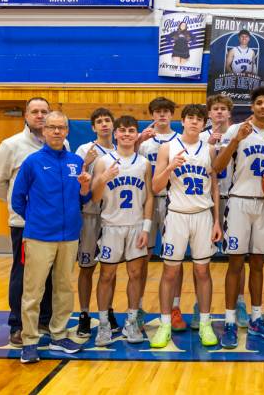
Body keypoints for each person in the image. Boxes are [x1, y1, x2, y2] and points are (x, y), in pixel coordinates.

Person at [11, 111, 91, 364]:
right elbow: (17, 200)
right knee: (33, 291)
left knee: (64, 288)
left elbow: (82, 199)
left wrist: (86, 188)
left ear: (67, 131)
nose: (57, 132)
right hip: (39, 237)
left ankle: (58, 335)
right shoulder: (32, 162)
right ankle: (30, 340)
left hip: (69, 237)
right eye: (52, 127)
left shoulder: (75, 162)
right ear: (43, 131)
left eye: (62, 128)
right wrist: (37, 220)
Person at [213, 86, 264, 348]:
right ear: (252, 106)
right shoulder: (237, 130)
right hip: (240, 202)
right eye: (259, 103)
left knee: (259, 264)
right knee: (235, 264)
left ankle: (256, 318)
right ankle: (231, 321)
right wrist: (235, 140)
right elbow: (217, 167)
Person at [150, 104, 222, 348]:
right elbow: (155, 187)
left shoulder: (210, 150)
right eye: (190, 117)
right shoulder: (167, 148)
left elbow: (214, 187)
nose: (194, 122)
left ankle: (205, 323)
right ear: (182, 121)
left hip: (203, 215)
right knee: (170, 272)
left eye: (199, 119)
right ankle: (164, 324)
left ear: (204, 124)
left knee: (203, 272)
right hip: (177, 215)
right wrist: (170, 167)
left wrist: (217, 220)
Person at [0, 96, 53, 347]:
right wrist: (20, 207)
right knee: (23, 273)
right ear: (26, 116)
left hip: (51, 223)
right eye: (35, 111)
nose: (40, 116)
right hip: (24, 224)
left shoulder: (60, 142)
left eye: (44, 112)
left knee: (48, 275)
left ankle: (43, 321)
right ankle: (17, 324)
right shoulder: (11, 145)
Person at [91, 115, 154, 346]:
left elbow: (149, 197)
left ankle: (131, 322)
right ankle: (104, 325)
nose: (127, 134)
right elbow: (95, 198)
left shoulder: (144, 163)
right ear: (116, 134)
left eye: (131, 130)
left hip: (136, 226)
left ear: (136, 134)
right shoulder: (103, 161)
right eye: (123, 130)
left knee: (136, 275)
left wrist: (146, 228)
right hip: (110, 226)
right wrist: (102, 180)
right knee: (107, 275)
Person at [194, 94, 249, 329]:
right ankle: (199, 305)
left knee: (238, 256)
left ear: (229, 113)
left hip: (235, 197)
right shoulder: (200, 137)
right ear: (208, 114)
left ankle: (240, 302)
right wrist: (209, 146)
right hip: (207, 200)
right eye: (214, 109)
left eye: (222, 109)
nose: (218, 113)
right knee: (201, 258)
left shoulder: (239, 133)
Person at [138, 97, 185, 331]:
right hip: (146, 202)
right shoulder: (144, 141)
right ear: (152, 114)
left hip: (172, 201)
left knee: (175, 259)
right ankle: (136, 307)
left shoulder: (180, 141)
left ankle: (175, 307)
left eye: (167, 111)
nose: (162, 115)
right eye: (158, 111)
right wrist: (137, 141)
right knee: (141, 257)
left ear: (173, 115)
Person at [74, 108, 119, 338]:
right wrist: (84, 163)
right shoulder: (85, 149)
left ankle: (107, 311)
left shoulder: (120, 150)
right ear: (93, 127)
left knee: (110, 269)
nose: (103, 124)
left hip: (113, 215)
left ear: (113, 125)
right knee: (87, 267)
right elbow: (74, 179)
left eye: (107, 121)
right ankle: (83, 313)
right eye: (99, 122)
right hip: (90, 214)